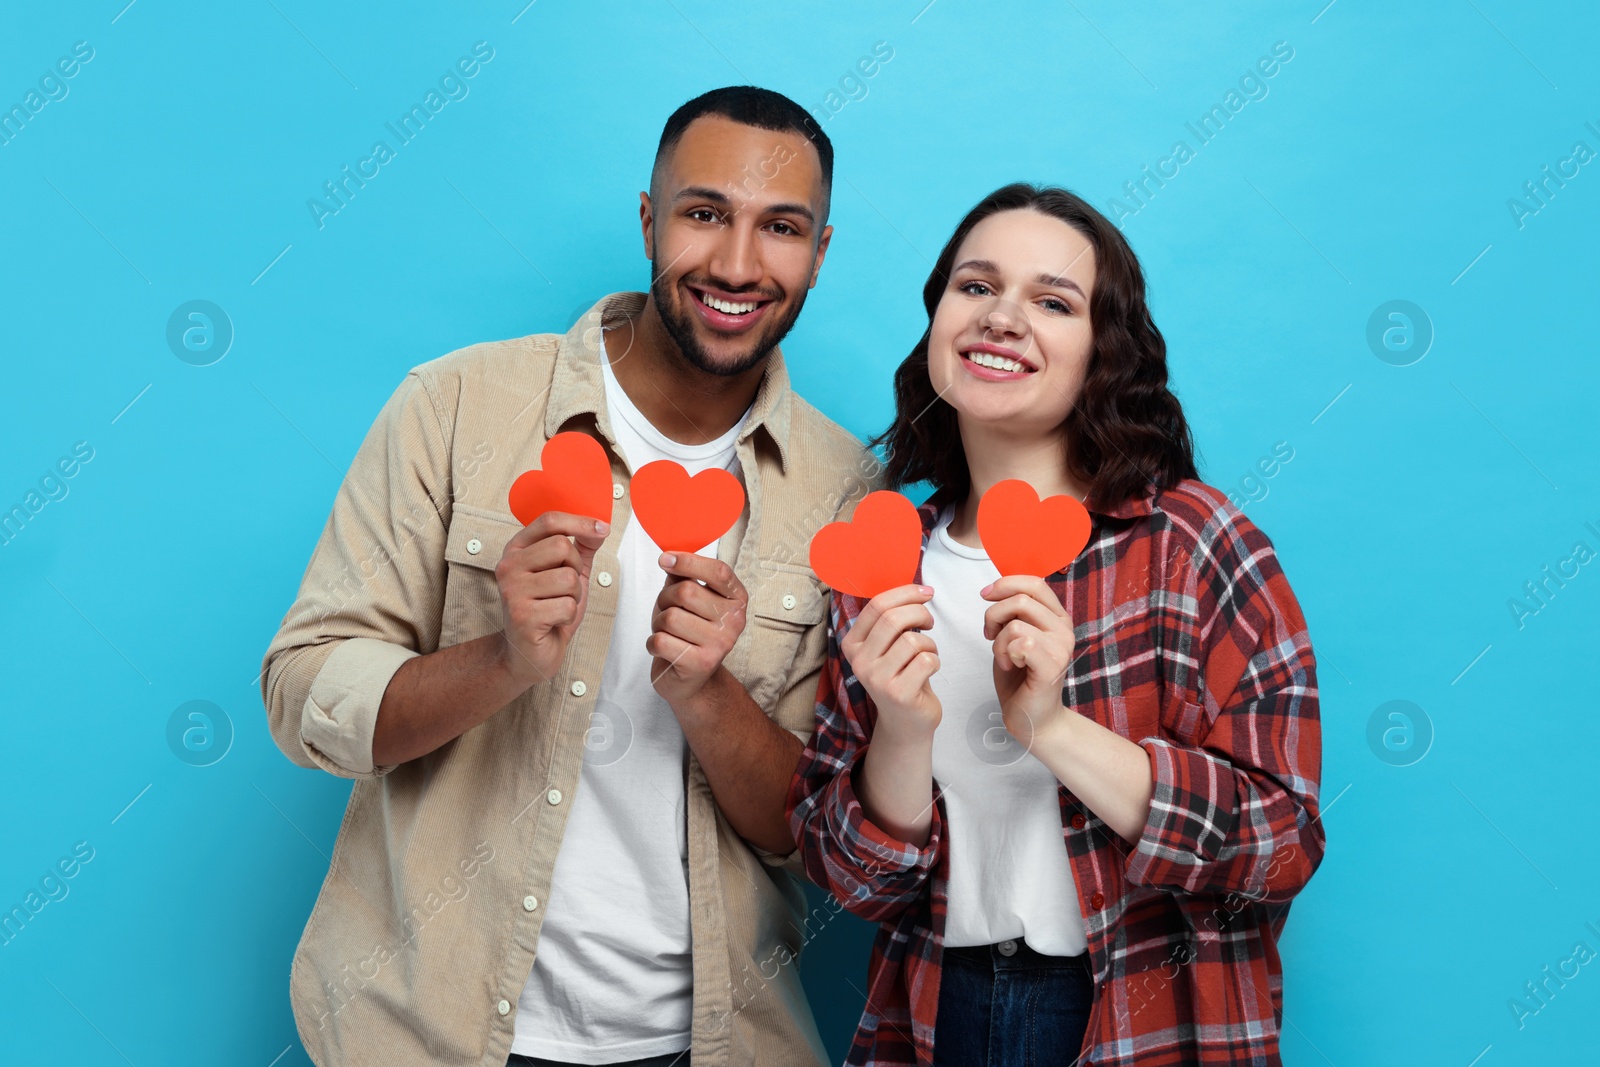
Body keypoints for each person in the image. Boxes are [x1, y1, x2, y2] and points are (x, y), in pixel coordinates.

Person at [261, 86, 879, 1067]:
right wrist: (502, 660)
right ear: (649, 217)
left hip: (707, 1042)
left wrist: (707, 692)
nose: (735, 263)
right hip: (428, 1032)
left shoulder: (846, 492)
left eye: (782, 228)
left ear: (820, 251)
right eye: (704, 212)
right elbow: (301, 694)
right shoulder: (455, 406)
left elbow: (809, 829)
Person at [788, 183, 1325, 1067]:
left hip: (1143, 1013)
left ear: (1101, 353)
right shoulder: (880, 564)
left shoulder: (1192, 547)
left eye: (1052, 300)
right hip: (940, 1011)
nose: (1003, 317)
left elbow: (1282, 844)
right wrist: (901, 731)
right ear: (936, 324)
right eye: (975, 286)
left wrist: (1050, 727)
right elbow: (848, 880)